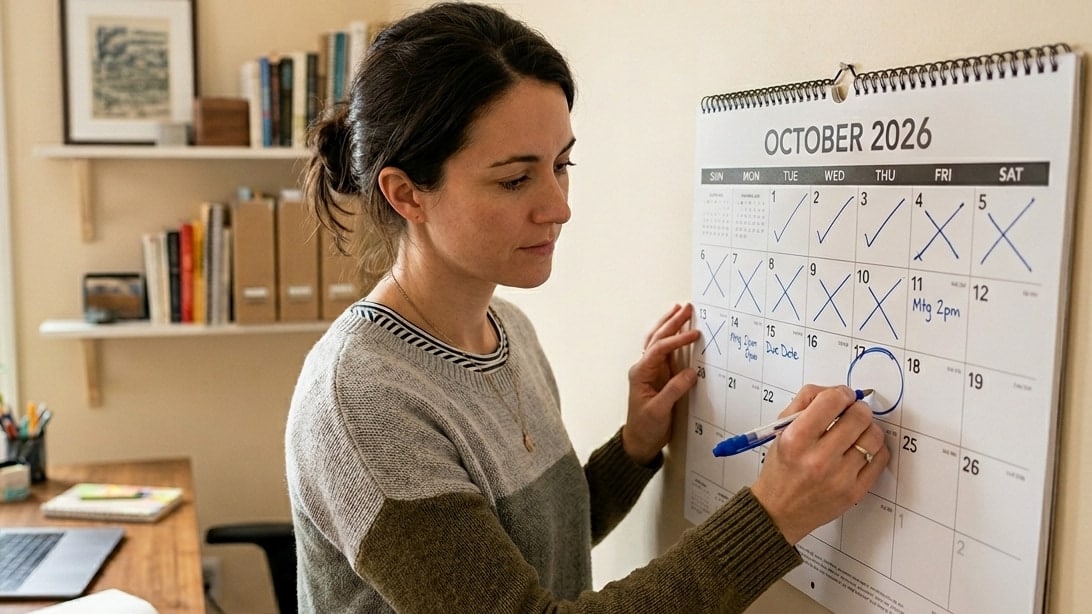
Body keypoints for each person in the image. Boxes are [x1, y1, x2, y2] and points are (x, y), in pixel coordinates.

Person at [284, 3, 890, 612]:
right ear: (407, 193)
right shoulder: (362, 403)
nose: (559, 206)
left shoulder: (507, 331)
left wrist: (634, 446)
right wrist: (775, 514)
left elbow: (534, 546)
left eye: (561, 165)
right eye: (515, 180)